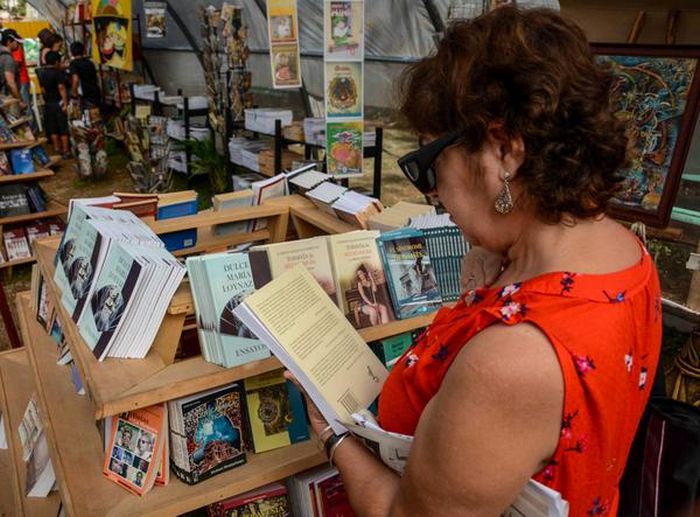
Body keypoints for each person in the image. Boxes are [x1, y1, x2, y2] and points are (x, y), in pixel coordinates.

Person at [296, 7, 662, 516]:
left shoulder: (511, 362)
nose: (433, 193)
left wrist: (335, 439)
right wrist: (498, 257)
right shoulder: (627, 255)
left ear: (506, 151)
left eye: (427, 164)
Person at [37, 50, 70, 158]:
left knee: (53, 127)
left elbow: (43, 90)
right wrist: (65, 103)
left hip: (48, 103)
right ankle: (65, 150)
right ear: (56, 62)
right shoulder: (58, 73)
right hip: (58, 102)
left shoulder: (42, 73)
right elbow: (61, 88)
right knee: (63, 127)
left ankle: (57, 148)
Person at [68, 41, 101, 110]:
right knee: (95, 115)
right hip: (95, 92)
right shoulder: (89, 62)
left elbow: (76, 79)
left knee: (87, 116)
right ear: (83, 50)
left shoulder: (74, 64)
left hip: (85, 95)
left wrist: (74, 93)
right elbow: (96, 77)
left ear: (71, 52)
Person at [0, 29, 26, 110]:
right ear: (8, 42)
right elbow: (11, 83)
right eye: (15, 41)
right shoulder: (8, 59)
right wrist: (20, 101)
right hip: (8, 98)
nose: (17, 43)